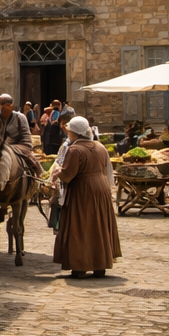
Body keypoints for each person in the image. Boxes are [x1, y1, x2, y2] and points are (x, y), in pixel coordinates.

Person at [53, 116, 120, 279]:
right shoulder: (100, 146)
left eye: (69, 131)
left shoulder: (74, 150)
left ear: (74, 133)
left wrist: (57, 173)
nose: (68, 134)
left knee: (81, 226)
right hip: (101, 188)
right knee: (98, 225)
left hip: (83, 191)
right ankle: (100, 265)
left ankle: (80, 266)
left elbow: (68, 175)